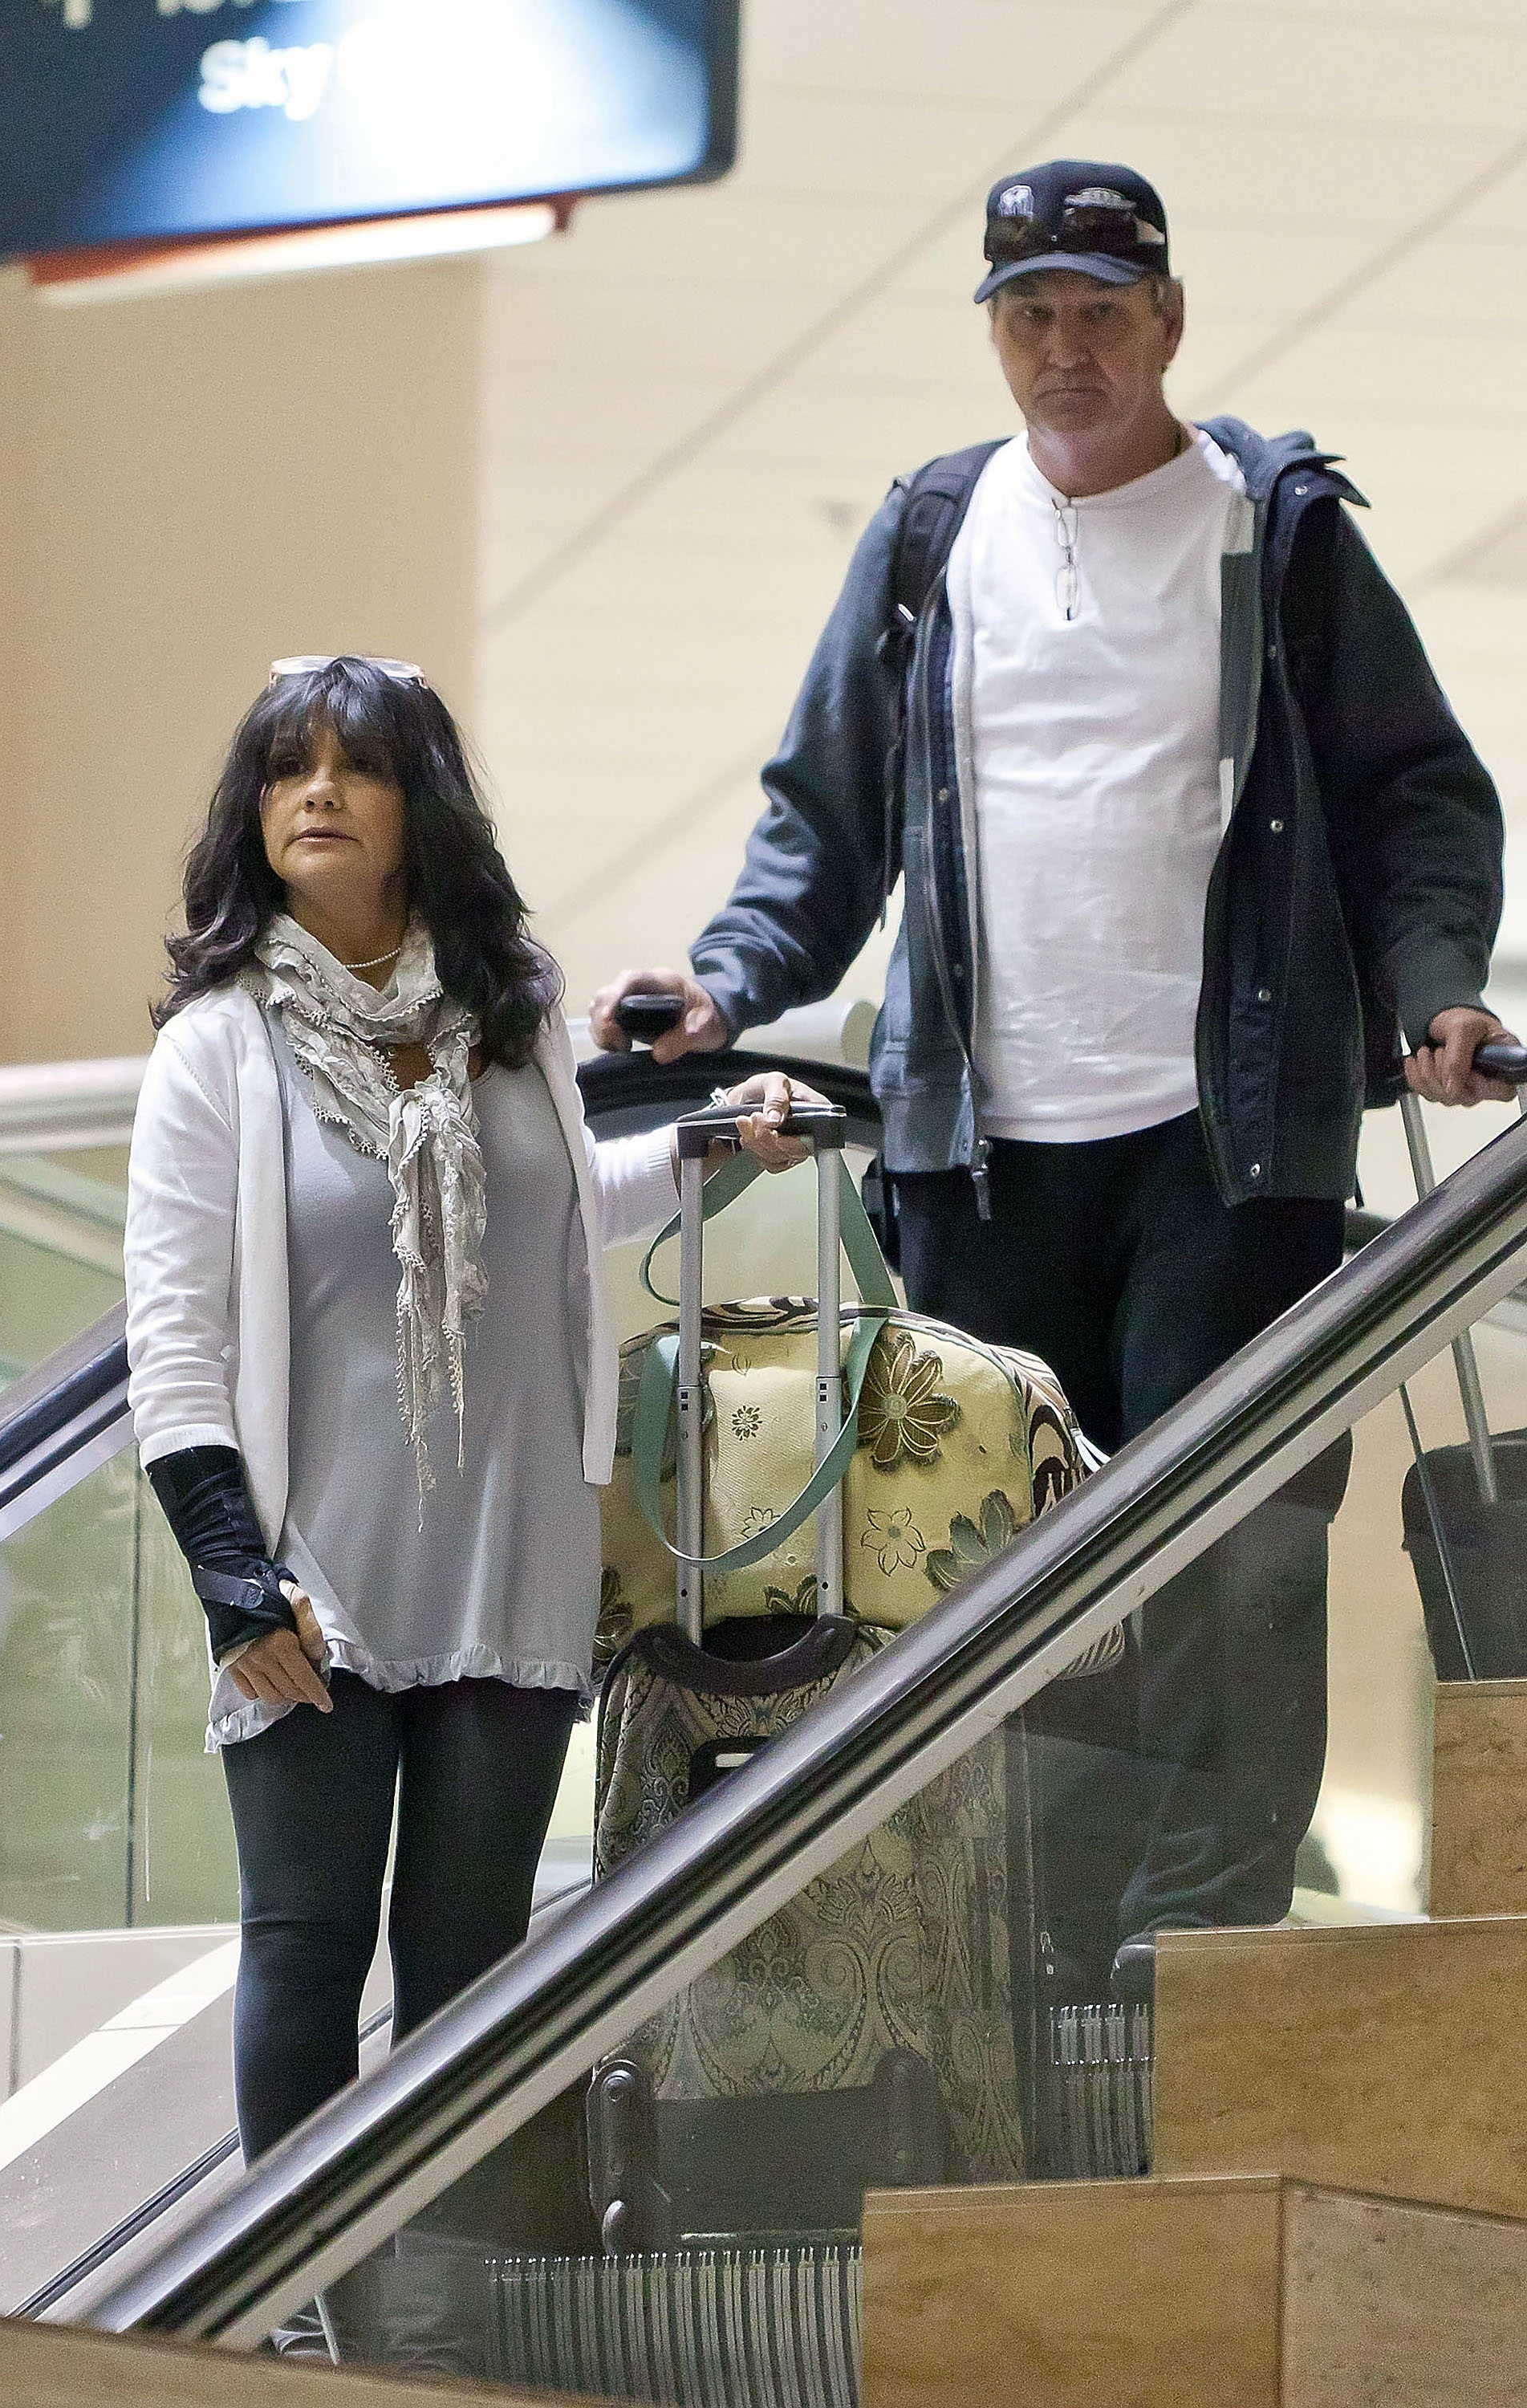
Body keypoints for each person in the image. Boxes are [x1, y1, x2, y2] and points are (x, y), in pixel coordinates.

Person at [591, 160, 1510, 1999]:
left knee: (1230, 1558)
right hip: (976, 1159)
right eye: (1031, 315)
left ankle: (1188, 1963)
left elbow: (1417, 793)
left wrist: (1431, 994)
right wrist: (730, 983)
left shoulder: (1278, 528)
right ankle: (1032, 1975)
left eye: (1102, 311)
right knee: (993, 1578)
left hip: (1228, 1149)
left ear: (1167, 321)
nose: (1067, 349)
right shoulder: (935, 539)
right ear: (993, 335)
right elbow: (823, 825)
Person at [124, 653, 812, 2164]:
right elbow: (172, 1345)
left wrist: (708, 1147)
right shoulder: (216, 1053)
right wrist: (236, 1583)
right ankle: (284, 2333)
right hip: (312, 1579)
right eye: (283, 768)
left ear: (413, 803)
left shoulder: (510, 1019)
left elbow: (560, 1210)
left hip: (509, 1551)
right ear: (252, 815)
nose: (314, 792)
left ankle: (439, 2315)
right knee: (305, 1951)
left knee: (470, 1971)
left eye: (353, 765)